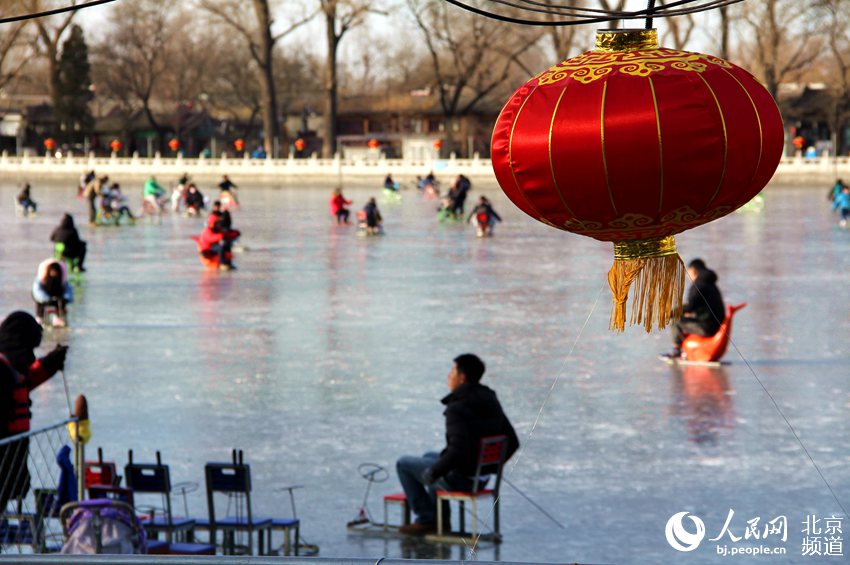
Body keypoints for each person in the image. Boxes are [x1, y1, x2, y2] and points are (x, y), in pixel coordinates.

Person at [395, 354, 519, 535]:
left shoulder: (457, 408)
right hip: (481, 479)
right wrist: (490, 467)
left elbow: (458, 450)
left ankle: (427, 519)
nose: (448, 376)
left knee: (403, 464)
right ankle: (441, 519)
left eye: (452, 371)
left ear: (462, 378)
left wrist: (433, 473)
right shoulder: (489, 399)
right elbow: (512, 441)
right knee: (429, 456)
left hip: (463, 480)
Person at [0, 312, 68, 513]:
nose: (30, 356)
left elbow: (22, 384)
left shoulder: (10, 368)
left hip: (12, 457)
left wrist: (49, 364)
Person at [666, 258, 726, 358]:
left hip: (708, 327)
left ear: (693, 270)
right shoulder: (710, 283)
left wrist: (670, 313)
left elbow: (690, 306)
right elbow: (700, 305)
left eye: (688, 271)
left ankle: (676, 350)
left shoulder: (698, 285)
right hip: (717, 324)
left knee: (676, 321)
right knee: (685, 318)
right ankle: (686, 349)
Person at [199, 201, 240, 270]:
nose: (219, 224)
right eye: (218, 222)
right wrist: (221, 236)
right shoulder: (207, 230)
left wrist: (235, 233)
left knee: (226, 246)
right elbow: (210, 238)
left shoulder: (218, 229)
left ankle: (228, 263)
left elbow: (227, 234)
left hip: (215, 247)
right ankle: (223, 263)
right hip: (208, 250)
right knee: (221, 247)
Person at [32, 259, 74, 327]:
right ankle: (40, 318)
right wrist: (46, 299)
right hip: (44, 299)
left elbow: (68, 290)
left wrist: (66, 298)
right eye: (52, 271)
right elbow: (37, 291)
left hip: (57, 297)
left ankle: (58, 317)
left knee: (60, 302)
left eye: (55, 271)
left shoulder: (62, 280)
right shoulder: (41, 280)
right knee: (41, 304)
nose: (54, 273)